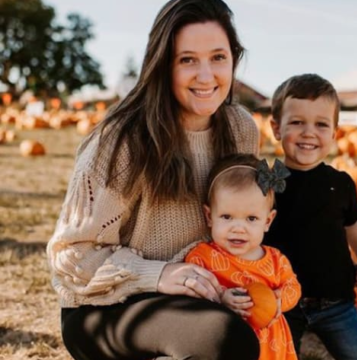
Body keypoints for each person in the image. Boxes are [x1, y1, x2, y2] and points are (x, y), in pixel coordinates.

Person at [46, 1, 261, 359]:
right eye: (187, 59)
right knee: (225, 339)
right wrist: (156, 275)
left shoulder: (241, 129)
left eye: (218, 57)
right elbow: (71, 257)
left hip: (197, 298)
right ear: (163, 65)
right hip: (108, 305)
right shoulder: (122, 140)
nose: (206, 76)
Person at [264, 74, 357, 360]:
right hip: (282, 302)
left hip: (336, 300)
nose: (308, 132)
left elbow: (355, 223)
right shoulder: (268, 182)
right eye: (297, 122)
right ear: (276, 128)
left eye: (321, 124)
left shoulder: (340, 183)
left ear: (334, 133)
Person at [185, 153, 301, 360]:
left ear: (268, 221)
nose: (238, 228)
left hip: (270, 346)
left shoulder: (275, 260)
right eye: (227, 217)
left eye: (251, 218)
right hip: (227, 344)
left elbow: (293, 286)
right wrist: (220, 297)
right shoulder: (202, 257)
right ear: (209, 216)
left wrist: (278, 300)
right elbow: (192, 293)